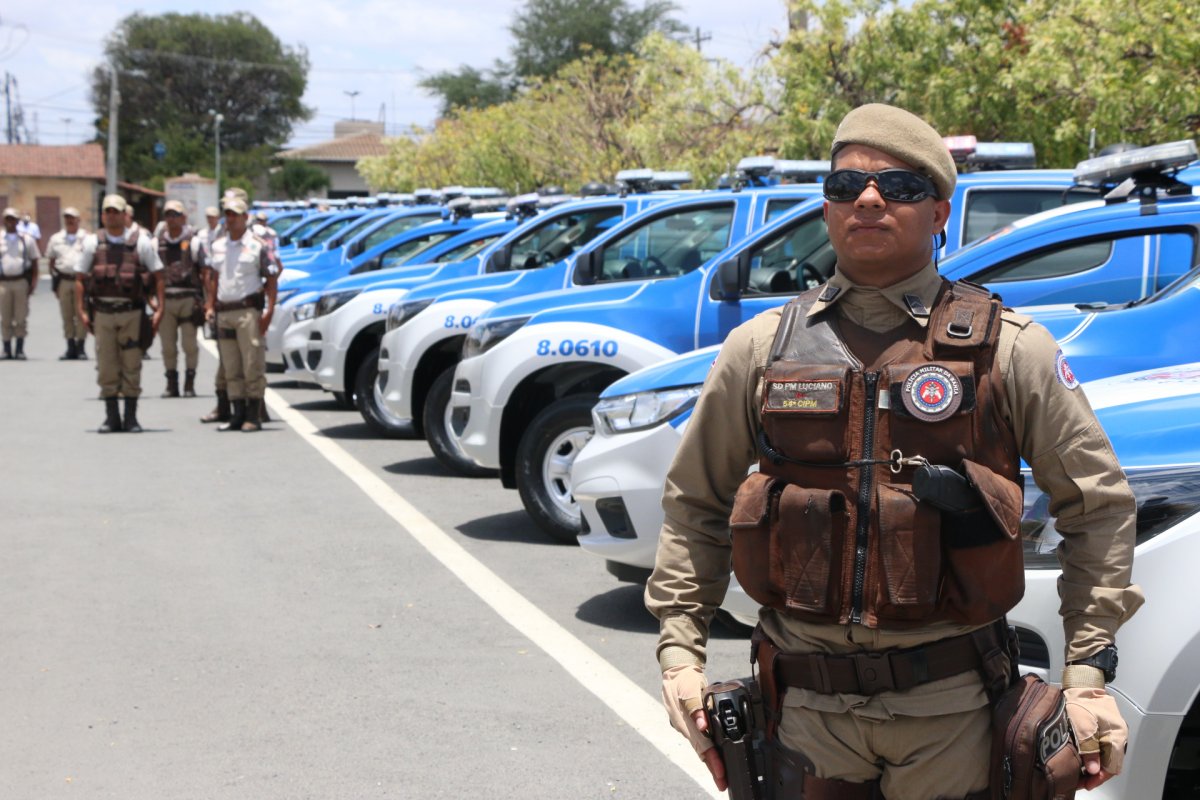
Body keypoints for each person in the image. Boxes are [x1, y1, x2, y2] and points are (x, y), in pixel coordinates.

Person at [647, 104, 1144, 799]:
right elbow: (696, 503)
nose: (870, 200)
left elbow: (1097, 508)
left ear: (941, 212)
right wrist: (680, 654)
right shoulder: (761, 348)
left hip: (954, 711)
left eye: (901, 187)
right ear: (826, 208)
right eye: (846, 185)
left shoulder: (1010, 347)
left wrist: (1088, 675)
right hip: (803, 711)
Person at [75, 194, 164, 433]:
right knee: (106, 366)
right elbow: (81, 278)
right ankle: (111, 417)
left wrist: (159, 309)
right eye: (108, 211)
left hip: (132, 312)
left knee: (132, 364)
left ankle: (131, 418)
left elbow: (157, 275)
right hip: (102, 312)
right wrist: (82, 310)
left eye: (117, 211)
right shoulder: (93, 243)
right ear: (103, 215)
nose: (112, 215)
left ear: (126, 215)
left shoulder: (141, 242)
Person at [202, 196, 277, 432]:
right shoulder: (219, 245)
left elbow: (272, 277)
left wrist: (268, 310)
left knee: (252, 364)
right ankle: (237, 413)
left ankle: (253, 415)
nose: (231, 219)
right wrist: (210, 305)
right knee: (231, 366)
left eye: (235, 214)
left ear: (246, 218)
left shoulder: (258, 245)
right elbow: (215, 278)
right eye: (228, 214)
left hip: (247, 311)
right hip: (225, 311)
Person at [156, 200, 203, 398]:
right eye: (168, 215)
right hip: (166, 299)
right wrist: (153, 301)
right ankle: (171, 382)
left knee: (189, 345)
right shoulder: (157, 242)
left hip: (188, 298)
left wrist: (204, 301)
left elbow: (204, 272)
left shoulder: (194, 241)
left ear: (183, 217)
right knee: (168, 346)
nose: (172, 219)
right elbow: (153, 274)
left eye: (175, 214)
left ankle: (189, 383)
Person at [46, 207, 90, 360]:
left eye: (72, 218)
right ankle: (70, 347)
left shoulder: (87, 238)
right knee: (67, 315)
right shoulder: (56, 238)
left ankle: (81, 347)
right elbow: (51, 261)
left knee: (81, 313)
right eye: (66, 218)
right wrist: (55, 283)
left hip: (80, 281)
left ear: (78, 220)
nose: (69, 221)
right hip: (64, 280)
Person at [1, 207, 41, 359]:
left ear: (17, 221)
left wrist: (33, 282)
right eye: (8, 219)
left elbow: (35, 261)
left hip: (20, 281)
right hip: (3, 282)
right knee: (5, 317)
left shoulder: (26, 239)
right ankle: (6, 348)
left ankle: (19, 348)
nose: (10, 222)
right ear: (4, 221)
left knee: (20, 316)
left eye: (13, 219)